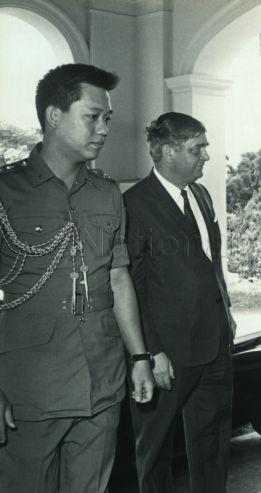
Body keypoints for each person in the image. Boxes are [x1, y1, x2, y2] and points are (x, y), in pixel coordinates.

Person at [0, 63, 154, 493]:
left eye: (107, 118)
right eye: (93, 116)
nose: (104, 128)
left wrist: (139, 357)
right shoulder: (6, 193)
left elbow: (118, 278)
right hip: (29, 392)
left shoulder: (107, 193)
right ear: (54, 116)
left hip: (101, 386)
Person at [124, 112, 235, 493]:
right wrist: (151, 351)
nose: (206, 155)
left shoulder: (201, 195)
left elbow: (211, 261)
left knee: (212, 445)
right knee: (154, 453)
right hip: (166, 356)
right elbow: (133, 287)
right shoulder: (135, 204)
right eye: (197, 148)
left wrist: (227, 313)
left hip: (215, 345)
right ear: (168, 152)